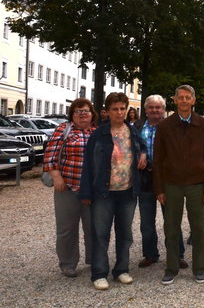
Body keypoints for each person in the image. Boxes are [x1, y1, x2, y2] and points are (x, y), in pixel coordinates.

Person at [79, 92, 147, 291]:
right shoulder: (98, 134)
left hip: (127, 191)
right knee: (100, 233)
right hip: (103, 192)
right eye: (115, 109)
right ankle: (99, 273)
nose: (119, 112)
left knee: (125, 233)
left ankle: (121, 270)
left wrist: (143, 154)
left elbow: (141, 147)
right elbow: (88, 166)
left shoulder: (132, 131)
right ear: (107, 111)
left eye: (122, 108)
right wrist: (86, 193)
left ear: (127, 110)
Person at [153, 84, 204, 286]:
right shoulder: (165, 125)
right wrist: (159, 188)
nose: (184, 100)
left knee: (198, 228)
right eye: (181, 97)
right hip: (172, 184)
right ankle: (171, 268)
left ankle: (199, 268)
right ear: (175, 100)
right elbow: (158, 158)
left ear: (193, 100)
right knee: (171, 228)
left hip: (197, 184)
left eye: (188, 97)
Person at [42, 98, 97, 278]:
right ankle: (67, 263)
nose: (82, 114)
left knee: (93, 227)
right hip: (66, 187)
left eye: (86, 111)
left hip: (91, 189)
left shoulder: (97, 132)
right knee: (67, 228)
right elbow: (49, 156)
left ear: (92, 114)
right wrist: (57, 177)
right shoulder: (63, 130)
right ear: (72, 114)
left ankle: (94, 259)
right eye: (78, 111)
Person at [135, 95, 187, 270]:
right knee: (146, 221)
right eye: (151, 107)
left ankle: (177, 255)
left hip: (167, 179)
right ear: (146, 109)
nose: (155, 110)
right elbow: (131, 147)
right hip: (145, 178)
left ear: (164, 110)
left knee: (172, 219)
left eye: (158, 107)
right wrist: (140, 154)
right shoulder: (137, 126)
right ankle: (150, 254)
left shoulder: (172, 127)